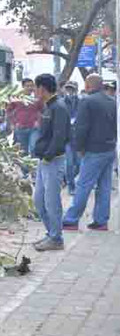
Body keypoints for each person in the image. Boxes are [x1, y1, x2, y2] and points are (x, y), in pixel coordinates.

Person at [62, 74, 117, 231]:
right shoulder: (111, 101)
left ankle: (71, 220)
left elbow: (81, 127)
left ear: (87, 85)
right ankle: (101, 221)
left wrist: (79, 147)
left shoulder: (87, 101)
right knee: (104, 186)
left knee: (83, 185)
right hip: (108, 149)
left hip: (93, 150)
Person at [31, 73, 71, 252]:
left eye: (35, 87)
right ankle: (51, 233)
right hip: (44, 161)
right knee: (38, 200)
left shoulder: (59, 107)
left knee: (51, 201)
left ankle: (56, 238)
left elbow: (60, 136)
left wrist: (48, 155)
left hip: (53, 161)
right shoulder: (49, 106)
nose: (33, 91)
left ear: (42, 88)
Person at [6, 78, 42, 156]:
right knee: (23, 151)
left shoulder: (37, 98)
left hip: (34, 128)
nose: (30, 88)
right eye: (27, 86)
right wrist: (14, 123)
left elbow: (43, 111)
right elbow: (8, 111)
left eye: (31, 86)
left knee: (33, 148)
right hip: (20, 128)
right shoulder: (16, 98)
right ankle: (25, 168)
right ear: (23, 87)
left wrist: (38, 121)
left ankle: (35, 166)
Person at [61, 81, 81, 194]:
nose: (70, 91)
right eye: (68, 89)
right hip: (66, 137)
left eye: (72, 89)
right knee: (69, 163)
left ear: (76, 89)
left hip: (78, 137)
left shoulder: (82, 101)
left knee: (79, 164)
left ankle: (68, 179)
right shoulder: (61, 102)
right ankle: (71, 186)